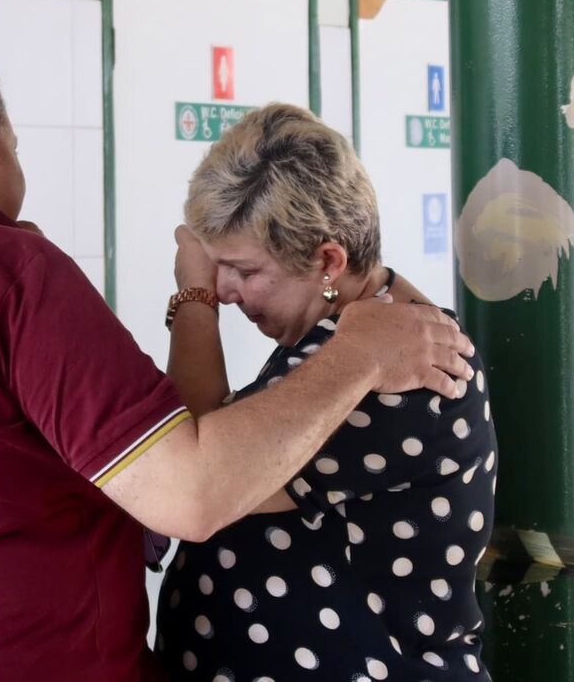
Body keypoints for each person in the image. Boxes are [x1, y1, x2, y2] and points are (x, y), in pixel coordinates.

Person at [0, 43, 475, 682]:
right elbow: (193, 488)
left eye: (242, 271)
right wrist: (360, 354)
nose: (228, 290)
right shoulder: (6, 272)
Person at [156, 104, 497, 681]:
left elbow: (195, 480)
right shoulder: (343, 339)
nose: (227, 290)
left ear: (328, 261)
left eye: (242, 270)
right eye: (218, 271)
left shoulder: (402, 368)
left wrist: (194, 298)